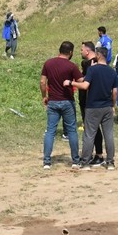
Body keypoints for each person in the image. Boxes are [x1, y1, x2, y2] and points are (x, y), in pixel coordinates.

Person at [70, 45, 116, 170]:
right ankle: (110, 162)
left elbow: (85, 86)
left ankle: (85, 163)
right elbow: (115, 91)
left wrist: (71, 83)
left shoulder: (92, 70)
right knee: (109, 135)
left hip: (93, 106)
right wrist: (113, 105)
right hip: (107, 106)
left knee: (89, 134)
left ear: (99, 55)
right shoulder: (112, 71)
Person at [40, 41, 83, 169]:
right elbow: (81, 81)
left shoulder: (48, 63)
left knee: (50, 131)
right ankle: (75, 160)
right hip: (67, 101)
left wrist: (44, 96)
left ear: (59, 50)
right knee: (71, 131)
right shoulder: (71, 66)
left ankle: (47, 161)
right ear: (70, 52)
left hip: (53, 101)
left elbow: (43, 82)